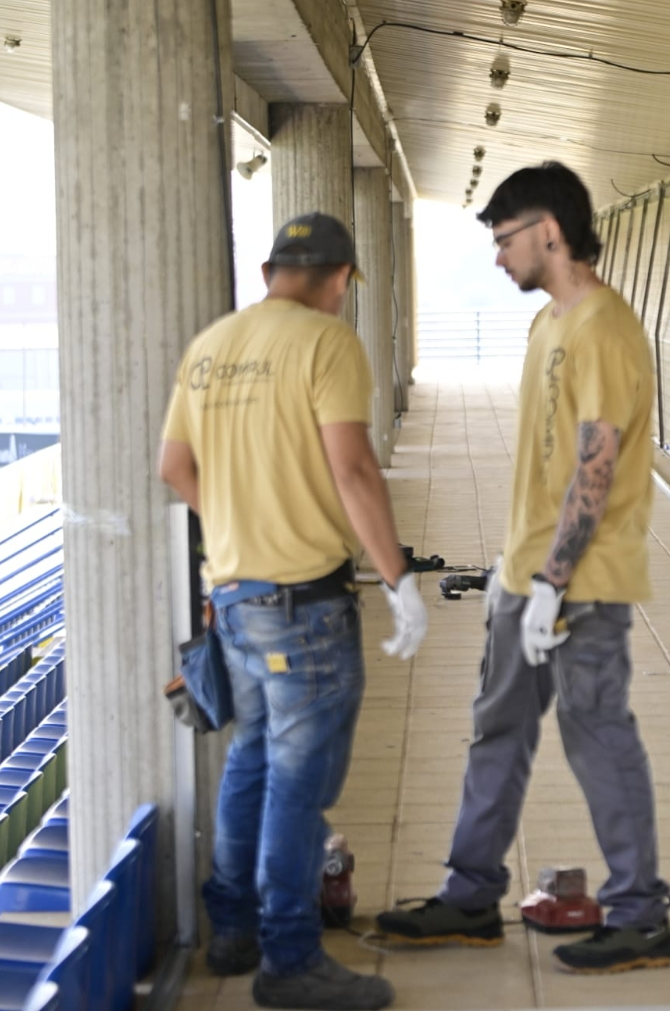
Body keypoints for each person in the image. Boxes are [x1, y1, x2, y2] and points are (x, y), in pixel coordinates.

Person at [375, 163, 670, 974]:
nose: (499, 257)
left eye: (505, 241)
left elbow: (597, 465)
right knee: (496, 730)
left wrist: (554, 581)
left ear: (550, 233)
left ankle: (642, 915)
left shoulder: (604, 329)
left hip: (581, 582)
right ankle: (471, 897)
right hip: (523, 574)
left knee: (598, 735)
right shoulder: (549, 324)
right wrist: (523, 577)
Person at [159, 212, 428, 1010]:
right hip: (303, 604)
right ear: (341, 277)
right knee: (299, 783)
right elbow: (351, 467)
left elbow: (175, 467)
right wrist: (398, 577)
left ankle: (232, 927)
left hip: (235, 597)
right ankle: (289, 958)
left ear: (276, 269)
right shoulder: (326, 343)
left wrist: (241, 528)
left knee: (254, 757)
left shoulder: (211, 348)